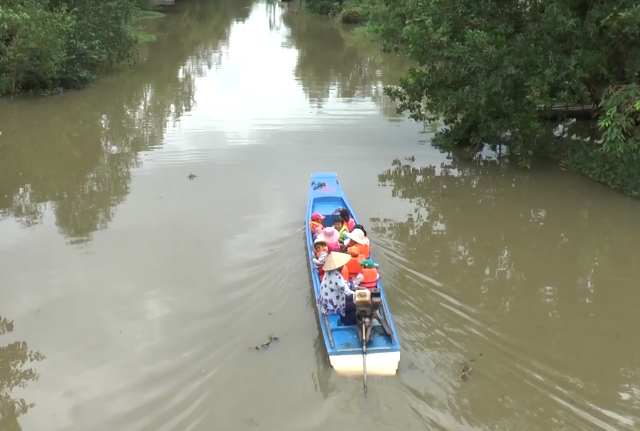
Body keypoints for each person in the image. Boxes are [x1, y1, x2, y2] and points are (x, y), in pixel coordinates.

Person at [317, 252, 355, 317]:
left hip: (324, 304)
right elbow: (347, 292)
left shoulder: (328, 272)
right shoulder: (337, 277)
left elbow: (342, 284)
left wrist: (355, 286)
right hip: (331, 308)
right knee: (355, 305)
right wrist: (359, 294)